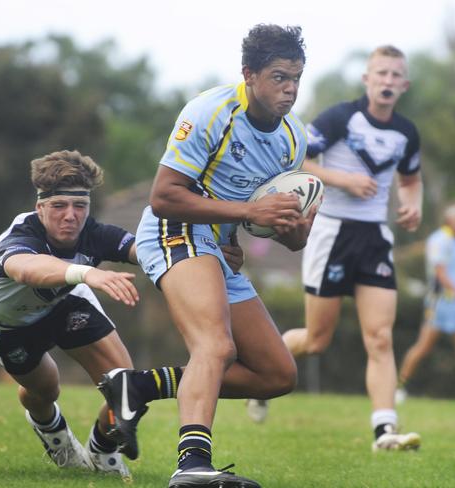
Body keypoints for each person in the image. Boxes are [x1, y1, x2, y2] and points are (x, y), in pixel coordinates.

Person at [98, 24, 313, 488]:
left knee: (277, 374)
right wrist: (247, 211)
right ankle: (191, 465)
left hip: (215, 247)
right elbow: (163, 197)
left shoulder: (295, 139)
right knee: (215, 346)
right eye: (280, 77)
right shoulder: (211, 111)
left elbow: (290, 237)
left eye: (297, 77)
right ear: (249, 75)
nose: (291, 89)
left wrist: (293, 229)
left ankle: (138, 386)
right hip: (172, 230)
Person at [248, 45, 423, 452]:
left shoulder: (407, 131)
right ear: (368, 78)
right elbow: (297, 160)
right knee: (315, 340)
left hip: (375, 238)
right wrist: (343, 181)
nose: (388, 81)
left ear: (405, 85)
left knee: (380, 338)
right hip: (332, 234)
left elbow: (411, 179)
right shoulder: (341, 118)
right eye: (381, 73)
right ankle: (261, 374)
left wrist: (413, 205)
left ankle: (385, 431)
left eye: (396, 76)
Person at [0, 150, 151, 479]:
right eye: (59, 206)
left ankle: (102, 449)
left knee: (124, 385)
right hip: (8, 325)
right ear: (40, 208)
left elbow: (150, 252)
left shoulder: (94, 234)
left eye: (80, 206)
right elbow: (28, 270)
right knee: (46, 391)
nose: (71, 216)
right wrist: (87, 273)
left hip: (65, 303)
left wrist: (200, 254)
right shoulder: (20, 237)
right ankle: (52, 433)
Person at [396, 203, 455, 406]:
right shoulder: (439, 240)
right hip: (439, 303)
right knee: (423, 347)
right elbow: (440, 273)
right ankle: (399, 386)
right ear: (450, 220)